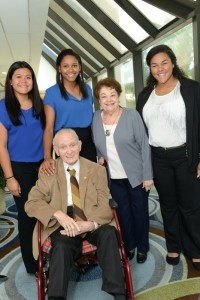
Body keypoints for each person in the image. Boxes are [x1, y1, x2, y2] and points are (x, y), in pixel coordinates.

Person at [25, 128, 126, 300]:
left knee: (109, 233)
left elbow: (105, 203)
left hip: (91, 217)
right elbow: (31, 203)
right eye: (63, 147)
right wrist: (58, 214)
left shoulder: (96, 170)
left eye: (72, 145)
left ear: (80, 145)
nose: (69, 150)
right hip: (62, 223)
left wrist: (91, 224)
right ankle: (56, 297)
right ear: (56, 151)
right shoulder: (49, 172)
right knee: (62, 245)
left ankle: (119, 293)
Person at [136, 44, 200, 270]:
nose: (160, 68)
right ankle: (174, 245)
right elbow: (142, 132)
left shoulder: (191, 88)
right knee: (168, 205)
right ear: (150, 69)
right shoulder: (145, 96)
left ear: (173, 63)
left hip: (185, 155)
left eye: (164, 63)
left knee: (191, 206)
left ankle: (195, 249)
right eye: (154, 65)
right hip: (158, 158)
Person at [92, 77, 153, 263]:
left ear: (118, 95)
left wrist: (148, 176)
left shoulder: (132, 115)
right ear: (99, 100)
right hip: (114, 178)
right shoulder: (96, 117)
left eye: (112, 94)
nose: (108, 99)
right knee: (123, 214)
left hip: (136, 176)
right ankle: (130, 245)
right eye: (104, 96)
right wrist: (100, 155)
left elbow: (144, 146)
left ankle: (142, 247)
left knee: (139, 212)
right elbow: (97, 142)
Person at [0, 61, 45, 274]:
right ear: (10, 81)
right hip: (19, 169)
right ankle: (31, 263)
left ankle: (47, 252)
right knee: (27, 216)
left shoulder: (40, 106)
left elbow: (46, 136)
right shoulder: (3, 107)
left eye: (28, 77)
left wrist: (48, 159)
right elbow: (0, 146)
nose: (23, 81)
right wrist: (10, 177)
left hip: (42, 167)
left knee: (46, 212)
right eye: (18, 77)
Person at [40, 48, 97, 176]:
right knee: (71, 184)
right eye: (65, 66)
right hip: (65, 145)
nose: (70, 70)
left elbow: (92, 120)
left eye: (74, 65)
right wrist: (47, 156)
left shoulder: (87, 89)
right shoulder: (52, 93)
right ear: (59, 68)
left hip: (87, 144)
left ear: (80, 67)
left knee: (90, 181)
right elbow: (49, 128)